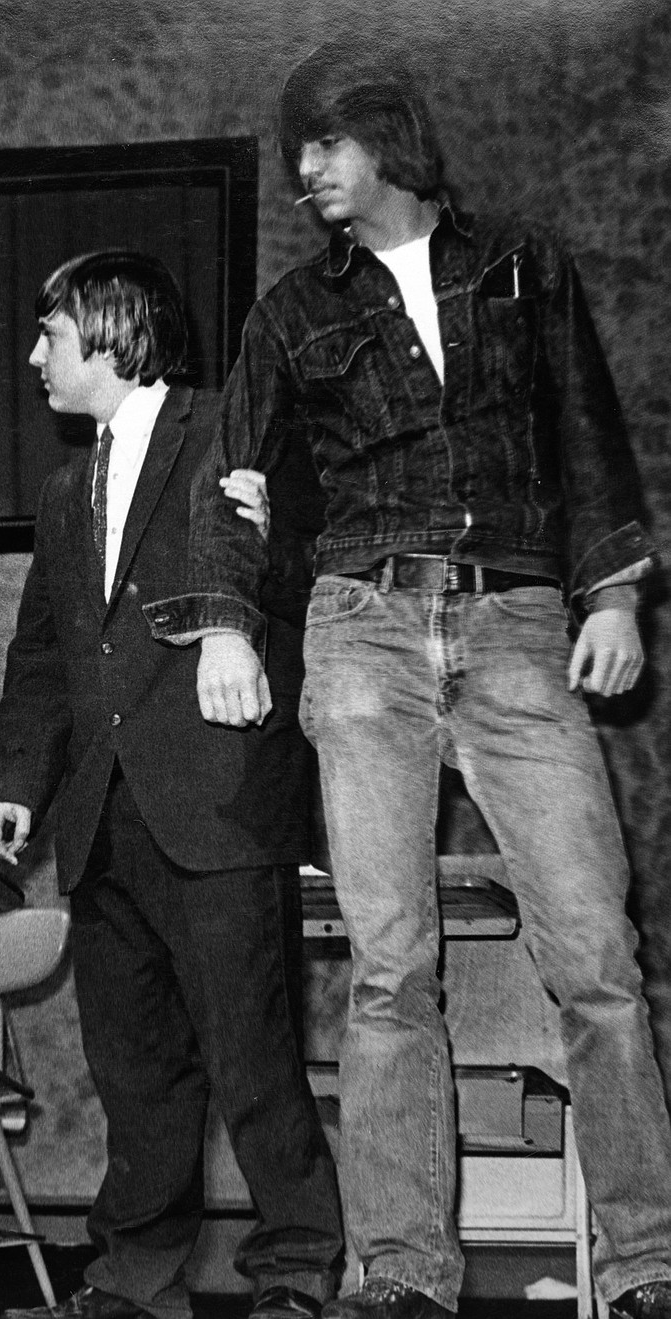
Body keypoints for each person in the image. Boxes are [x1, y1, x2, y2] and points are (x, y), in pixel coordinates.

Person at [147, 40, 671, 1319]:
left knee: (596, 951)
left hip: (517, 623)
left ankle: (650, 1257)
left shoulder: (521, 266)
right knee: (391, 966)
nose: (309, 174)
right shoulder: (290, 312)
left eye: (324, 146)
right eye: (297, 156)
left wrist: (613, 593)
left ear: (385, 134)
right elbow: (236, 474)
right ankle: (402, 1269)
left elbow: (587, 430)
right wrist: (224, 624)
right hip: (363, 629)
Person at [0, 250, 342, 1319]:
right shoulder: (61, 490)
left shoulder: (232, 425)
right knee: (136, 1071)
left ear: (108, 330)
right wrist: (19, 779)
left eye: (49, 333)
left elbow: (318, 565)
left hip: (221, 805)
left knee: (253, 1056)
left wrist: (276, 546)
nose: (36, 356)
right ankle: (132, 1282)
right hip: (100, 813)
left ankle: (296, 1274)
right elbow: (44, 648)